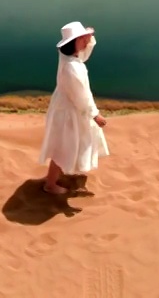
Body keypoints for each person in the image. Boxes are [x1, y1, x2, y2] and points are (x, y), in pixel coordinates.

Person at [38, 20, 109, 195]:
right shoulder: (72, 69)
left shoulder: (69, 57)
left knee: (65, 145)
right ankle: (50, 185)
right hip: (69, 112)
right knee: (62, 147)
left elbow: (85, 53)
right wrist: (95, 115)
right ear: (72, 43)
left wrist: (88, 37)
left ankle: (56, 177)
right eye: (81, 39)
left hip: (66, 107)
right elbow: (82, 98)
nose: (86, 41)